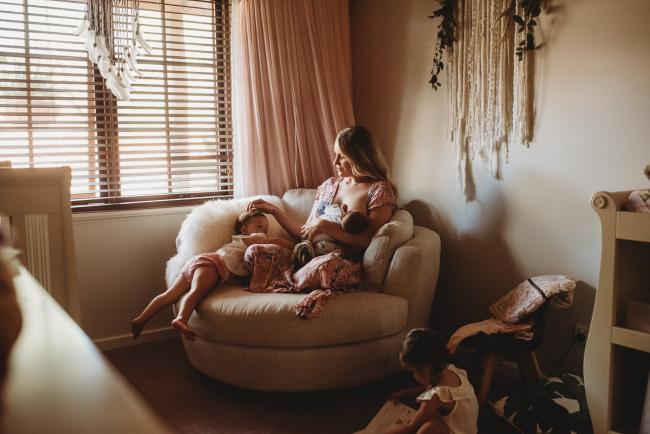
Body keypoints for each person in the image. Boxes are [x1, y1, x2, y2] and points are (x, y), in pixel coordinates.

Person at [245, 125, 397, 318]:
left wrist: (324, 225)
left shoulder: (379, 189)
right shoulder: (329, 186)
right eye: (335, 155)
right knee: (254, 252)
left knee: (324, 267)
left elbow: (367, 239)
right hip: (307, 253)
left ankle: (295, 278)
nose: (335, 162)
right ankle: (298, 276)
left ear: (358, 156)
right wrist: (274, 211)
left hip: (340, 259)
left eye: (341, 156)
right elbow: (305, 232)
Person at [131, 211, 294, 340]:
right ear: (244, 229)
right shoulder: (252, 239)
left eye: (265, 228)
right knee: (196, 292)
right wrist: (293, 246)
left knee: (170, 294)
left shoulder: (238, 242)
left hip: (200, 262)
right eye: (260, 226)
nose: (264, 231)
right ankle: (181, 319)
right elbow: (276, 243)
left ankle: (140, 320)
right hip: (213, 264)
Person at [386, 329, 479, 434]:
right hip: (468, 430)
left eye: (413, 372)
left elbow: (411, 426)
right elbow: (429, 388)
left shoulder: (434, 398)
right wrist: (406, 393)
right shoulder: (452, 371)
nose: (413, 376)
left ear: (426, 368)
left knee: (427, 428)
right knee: (429, 420)